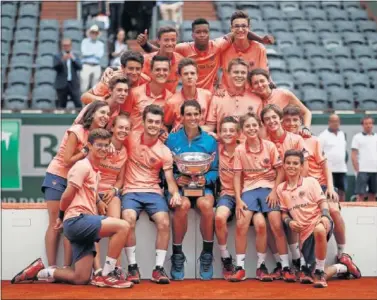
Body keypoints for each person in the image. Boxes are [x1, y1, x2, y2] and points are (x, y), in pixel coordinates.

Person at [11, 128, 134, 288]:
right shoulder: (82, 166)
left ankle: (42, 272)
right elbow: (66, 196)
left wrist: (98, 202)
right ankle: (108, 274)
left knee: (80, 277)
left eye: (106, 145)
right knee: (123, 226)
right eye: (99, 145)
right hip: (77, 220)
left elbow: (88, 193)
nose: (103, 149)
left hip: (83, 223)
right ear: (89, 145)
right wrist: (61, 218)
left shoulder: (95, 171)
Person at [282, 105, 358, 271]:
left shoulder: (314, 140)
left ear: (301, 122)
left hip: (320, 186)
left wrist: (330, 187)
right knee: (293, 218)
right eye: (287, 120)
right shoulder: (282, 142)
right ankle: (299, 261)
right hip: (297, 191)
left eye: (295, 120)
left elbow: (325, 166)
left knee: (335, 212)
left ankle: (342, 254)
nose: (291, 123)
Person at [40, 101, 110, 271]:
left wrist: (98, 199)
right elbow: (66, 160)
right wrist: (86, 151)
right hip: (58, 177)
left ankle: (67, 267)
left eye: (108, 114)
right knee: (56, 223)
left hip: (77, 180)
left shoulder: (97, 136)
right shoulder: (77, 130)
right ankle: (51, 268)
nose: (105, 116)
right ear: (92, 113)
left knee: (71, 222)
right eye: (102, 112)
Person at [277, 150, 361, 288]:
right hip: (304, 236)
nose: (291, 166)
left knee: (319, 229)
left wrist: (325, 216)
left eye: (295, 163)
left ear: (302, 166)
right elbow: (284, 213)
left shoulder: (311, 182)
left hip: (320, 221)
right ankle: (343, 267)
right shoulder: (281, 189)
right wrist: (289, 222)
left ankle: (320, 271)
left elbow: (322, 202)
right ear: (284, 166)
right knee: (309, 277)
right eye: (288, 163)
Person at [229, 112, 295, 283]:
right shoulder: (239, 150)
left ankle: (285, 267)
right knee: (242, 223)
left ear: (259, 127)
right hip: (249, 190)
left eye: (254, 125)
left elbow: (280, 171)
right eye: (247, 126)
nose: (251, 129)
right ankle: (240, 268)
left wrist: (274, 191)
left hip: (269, 189)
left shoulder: (270, 146)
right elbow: (237, 176)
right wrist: (238, 199)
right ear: (242, 130)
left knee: (276, 225)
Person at [121, 105, 181, 284]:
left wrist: (175, 193)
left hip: (154, 192)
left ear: (162, 124)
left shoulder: (164, 151)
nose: (153, 125)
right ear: (144, 122)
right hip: (131, 191)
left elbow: (170, 180)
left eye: (157, 122)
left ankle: (158, 269)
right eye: (150, 121)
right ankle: (132, 267)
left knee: (164, 222)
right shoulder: (130, 139)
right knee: (128, 219)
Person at [137, 18, 274, 91]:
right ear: (192, 34)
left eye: (205, 32)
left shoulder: (218, 45)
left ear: (209, 33)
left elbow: (239, 32)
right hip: (190, 94)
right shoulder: (184, 48)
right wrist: (144, 45)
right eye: (198, 32)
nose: (202, 35)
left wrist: (261, 39)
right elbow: (162, 51)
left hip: (211, 95)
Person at [166, 100, 218, 281]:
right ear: (181, 117)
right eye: (188, 114)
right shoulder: (171, 140)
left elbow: (215, 170)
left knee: (206, 206)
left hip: (203, 187)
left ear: (201, 115)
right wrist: (177, 179)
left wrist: (206, 179)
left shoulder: (210, 141)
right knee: (182, 206)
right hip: (180, 187)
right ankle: (178, 255)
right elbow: (166, 168)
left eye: (196, 114)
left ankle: (207, 255)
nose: (193, 118)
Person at [261, 104, 308, 276]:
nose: (272, 121)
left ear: (280, 118)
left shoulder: (296, 139)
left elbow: (305, 169)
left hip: (293, 189)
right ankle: (283, 264)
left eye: (274, 117)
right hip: (272, 189)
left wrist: (292, 190)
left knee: (295, 223)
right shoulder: (264, 141)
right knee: (272, 223)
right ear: (264, 123)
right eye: (267, 119)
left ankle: (298, 261)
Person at [92, 114, 132, 281]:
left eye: (126, 128)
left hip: (111, 193)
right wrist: (98, 200)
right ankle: (98, 269)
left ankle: (115, 267)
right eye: (120, 127)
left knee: (117, 224)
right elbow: (90, 173)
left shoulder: (124, 152)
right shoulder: (102, 147)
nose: (123, 130)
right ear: (113, 128)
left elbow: (121, 179)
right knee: (93, 226)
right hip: (93, 192)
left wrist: (115, 190)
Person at [204, 58, 263, 138]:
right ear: (228, 73)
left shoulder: (257, 100)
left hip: (248, 148)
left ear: (247, 75)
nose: (239, 75)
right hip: (223, 146)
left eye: (243, 73)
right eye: (236, 72)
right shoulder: (217, 98)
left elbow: (261, 129)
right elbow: (210, 127)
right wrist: (190, 128)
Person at [248, 68, 312, 137]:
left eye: (262, 81)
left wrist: (306, 128)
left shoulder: (283, 94)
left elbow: (306, 112)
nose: (260, 85)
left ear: (268, 81)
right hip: (267, 143)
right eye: (255, 83)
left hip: (287, 140)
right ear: (252, 87)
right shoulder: (252, 101)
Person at [81, 51, 150, 109]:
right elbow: (84, 97)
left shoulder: (146, 81)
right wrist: (105, 101)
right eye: (131, 69)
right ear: (122, 67)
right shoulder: (111, 78)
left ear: (142, 68)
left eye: (138, 69)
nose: (134, 72)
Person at [215, 116, 239, 280]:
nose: (228, 133)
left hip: (246, 195)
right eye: (224, 130)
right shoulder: (216, 149)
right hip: (227, 194)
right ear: (219, 133)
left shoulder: (245, 149)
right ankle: (225, 257)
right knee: (219, 218)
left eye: (231, 130)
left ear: (238, 133)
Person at [123, 55, 173, 134]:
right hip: (132, 143)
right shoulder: (134, 93)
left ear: (170, 72)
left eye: (165, 70)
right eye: (157, 69)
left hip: (155, 143)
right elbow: (123, 118)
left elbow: (167, 125)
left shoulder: (171, 99)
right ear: (150, 71)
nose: (161, 73)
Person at [220, 11, 268, 89]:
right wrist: (218, 85)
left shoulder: (259, 49)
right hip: (227, 94)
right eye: (236, 26)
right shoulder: (223, 48)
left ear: (249, 28)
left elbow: (262, 75)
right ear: (231, 28)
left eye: (244, 26)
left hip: (251, 94)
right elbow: (213, 70)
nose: (240, 29)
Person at [164, 58, 212, 132]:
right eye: (186, 74)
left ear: (197, 75)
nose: (189, 77)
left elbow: (211, 125)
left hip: (202, 138)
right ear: (180, 77)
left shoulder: (207, 96)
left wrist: (187, 129)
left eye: (192, 73)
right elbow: (165, 125)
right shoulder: (171, 102)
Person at [142, 26, 183, 93]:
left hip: (171, 101)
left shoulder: (180, 60)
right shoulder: (146, 60)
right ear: (158, 41)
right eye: (166, 40)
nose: (170, 44)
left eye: (173, 40)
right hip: (150, 100)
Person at [318, 114, 348, 202]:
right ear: (329, 122)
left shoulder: (342, 134)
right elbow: (319, 153)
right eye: (333, 121)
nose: (335, 123)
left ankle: (343, 209)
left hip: (342, 169)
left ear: (339, 122)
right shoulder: (322, 136)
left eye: (337, 121)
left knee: (342, 191)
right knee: (329, 191)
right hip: (328, 170)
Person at [351, 116, 377, 202]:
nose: (368, 125)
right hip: (362, 170)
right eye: (366, 123)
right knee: (360, 194)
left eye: (370, 123)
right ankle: (358, 214)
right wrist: (357, 169)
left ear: (372, 125)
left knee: (373, 194)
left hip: (375, 170)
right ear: (362, 125)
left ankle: (372, 215)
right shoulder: (357, 137)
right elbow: (353, 154)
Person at [53, 38, 82, 108]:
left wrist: (73, 58)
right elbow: (55, 67)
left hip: (73, 84)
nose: (66, 47)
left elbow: (80, 66)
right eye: (64, 45)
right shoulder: (57, 56)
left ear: (71, 46)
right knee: (61, 105)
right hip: (62, 84)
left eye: (68, 45)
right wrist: (62, 60)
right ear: (62, 46)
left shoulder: (75, 55)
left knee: (78, 103)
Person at [80, 25, 105, 93]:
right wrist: (94, 53)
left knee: (95, 87)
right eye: (92, 32)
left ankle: (92, 102)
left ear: (97, 34)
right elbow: (84, 53)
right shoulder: (84, 41)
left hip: (96, 65)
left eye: (95, 33)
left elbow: (99, 56)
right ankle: (83, 103)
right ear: (90, 33)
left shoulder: (101, 44)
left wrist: (89, 53)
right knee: (84, 87)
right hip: (86, 65)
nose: (94, 34)